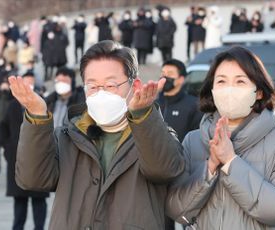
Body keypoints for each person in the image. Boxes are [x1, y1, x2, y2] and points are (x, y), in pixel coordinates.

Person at [9, 40, 185, 229]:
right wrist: (37, 117)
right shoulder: (67, 137)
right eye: (92, 86)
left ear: (134, 86)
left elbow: (164, 170)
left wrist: (142, 116)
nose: (101, 93)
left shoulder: (158, 135)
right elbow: (32, 179)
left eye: (110, 85)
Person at [166, 46, 275, 229]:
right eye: (221, 81)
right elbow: (177, 212)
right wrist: (210, 168)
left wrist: (230, 162)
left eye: (240, 82)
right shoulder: (193, 141)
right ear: (212, 90)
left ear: (259, 92)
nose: (229, 89)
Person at [0, 72, 49, 230]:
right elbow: (3, 128)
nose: (29, 87)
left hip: (38, 163)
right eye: (26, 83)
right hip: (16, 161)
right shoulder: (12, 105)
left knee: (38, 202)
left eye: (32, 83)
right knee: (19, 203)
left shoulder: (44, 104)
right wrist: (8, 150)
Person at [158, 59, 203, 142]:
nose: (164, 78)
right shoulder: (153, 103)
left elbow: (197, 140)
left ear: (181, 79)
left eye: (170, 74)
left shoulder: (194, 105)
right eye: (163, 73)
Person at [0, 79, 13, 175]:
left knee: (8, 150)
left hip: (8, 130)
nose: (4, 87)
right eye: (3, 85)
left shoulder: (11, 100)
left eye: (6, 85)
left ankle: (10, 168)